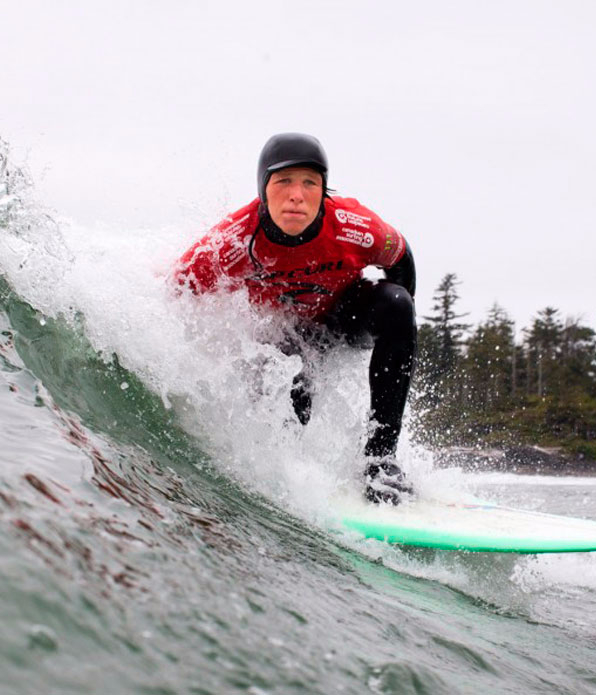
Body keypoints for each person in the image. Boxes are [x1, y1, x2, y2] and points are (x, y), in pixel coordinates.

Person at [173, 133, 417, 504]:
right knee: (291, 379)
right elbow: (175, 300)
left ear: (324, 190)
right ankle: (296, 480)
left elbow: (401, 261)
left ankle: (381, 460)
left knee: (397, 304)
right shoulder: (232, 242)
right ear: (263, 189)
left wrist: (395, 340)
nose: (296, 195)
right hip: (284, 336)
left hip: (342, 317)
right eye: (283, 181)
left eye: (310, 183)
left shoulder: (355, 225)